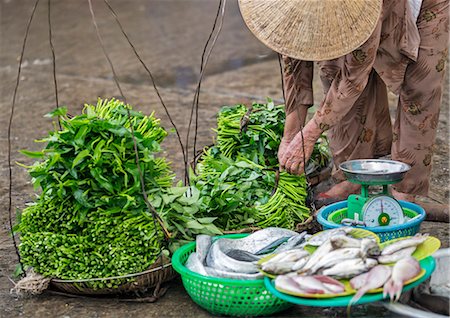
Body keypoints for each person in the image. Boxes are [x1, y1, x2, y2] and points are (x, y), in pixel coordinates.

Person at [239, 0, 449, 221]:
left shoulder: (361, 10)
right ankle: (353, 179)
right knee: (332, 67)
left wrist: (309, 136)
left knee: (420, 88)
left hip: (419, 5)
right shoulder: (290, 11)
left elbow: (353, 80)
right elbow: (295, 65)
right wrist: (291, 135)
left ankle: (405, 191)